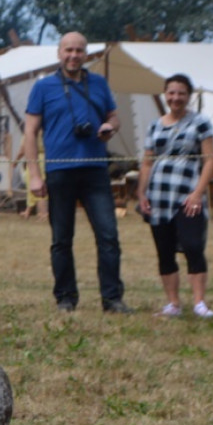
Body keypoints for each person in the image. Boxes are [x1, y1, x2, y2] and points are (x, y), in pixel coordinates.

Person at [23, 32, 131, 314]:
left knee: (108, 235)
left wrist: (111, 127)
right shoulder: (43, 87)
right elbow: (30, 132)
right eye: (68, 50)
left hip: (95, 170)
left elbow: (114, 116)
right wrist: (34, 174)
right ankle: (66, 298)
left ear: (86, 54)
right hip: (59, 171)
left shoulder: (99, 83)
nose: (74, 55)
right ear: (59, 53)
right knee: (61, 239)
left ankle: (112, 299)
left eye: (79, 50)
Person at [137, 73, 213, 319]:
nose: (176, 98)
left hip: (187, 197)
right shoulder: (155, 125)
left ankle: (199, 303)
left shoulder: (200, 123)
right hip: (159, 196)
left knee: (193, 246)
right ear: (165, 94)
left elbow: (210, 160)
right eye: (171, 93)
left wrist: (197, 193)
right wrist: (141, 193)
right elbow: (148, 162)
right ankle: (173, 303)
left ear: (188, 96)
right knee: (165, 250)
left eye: (181, 93)